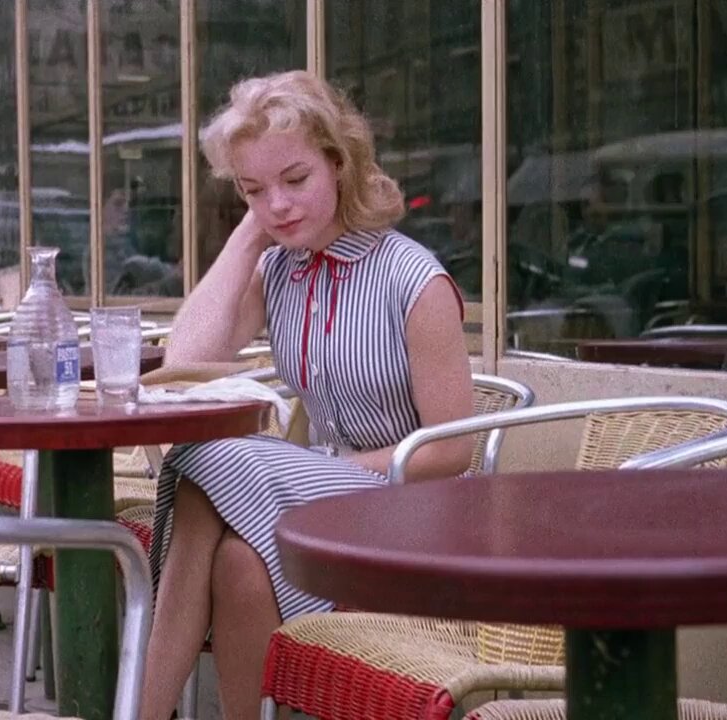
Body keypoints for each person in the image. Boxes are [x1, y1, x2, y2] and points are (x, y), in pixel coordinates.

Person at [141, 70, 477, 720]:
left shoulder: (414, 279)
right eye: (253, 189)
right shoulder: (280, 268)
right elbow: (184, 363)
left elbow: (451, 452)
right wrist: (248, 236)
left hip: (419, 519)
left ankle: (142, 713)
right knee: (237, 562)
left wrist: (322, 471)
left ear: (339, 163)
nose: (278, 205)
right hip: (323, 506)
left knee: (204, 459)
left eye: (295, 180)